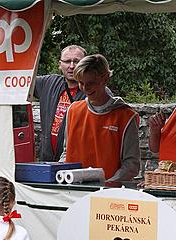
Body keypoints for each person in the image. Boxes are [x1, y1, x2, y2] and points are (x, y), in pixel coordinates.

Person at [59, 54, 140, 182]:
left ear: (105, 78)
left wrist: (108, 185)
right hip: (73, 190)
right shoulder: (73, 110)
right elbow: (66, 152)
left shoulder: (126, 116)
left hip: (108, 195)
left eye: (91, 83)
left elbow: (131, 165)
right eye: (81, 83)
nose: (85, 88)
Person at [33, 45, 87, 161]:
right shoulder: (48, 83)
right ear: (60, 64)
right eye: (67, 61)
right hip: (47, 160)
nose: (71, 66)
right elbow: (21, 81)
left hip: (77, 162)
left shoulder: (94, 91)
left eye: (76, 61)